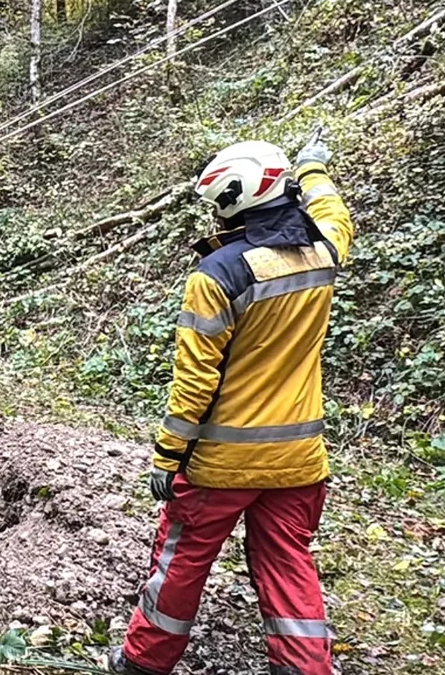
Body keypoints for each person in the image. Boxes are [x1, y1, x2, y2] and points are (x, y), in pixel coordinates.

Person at [110, 134, 353, 675]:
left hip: (222, 464)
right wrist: (313, 171)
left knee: (181, 564)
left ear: (232, 202)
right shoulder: (324, 251)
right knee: (288, 563)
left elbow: (194, 380)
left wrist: (168, 456)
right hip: (300, 461)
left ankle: (143, 663)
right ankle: (306, 667)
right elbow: (335, 214)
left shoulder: (217, 275)